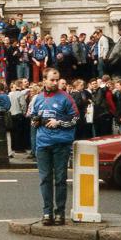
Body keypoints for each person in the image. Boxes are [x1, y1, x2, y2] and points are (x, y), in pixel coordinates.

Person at [30, 68, 79, 226]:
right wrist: (35, 120)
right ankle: (47, 213)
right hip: (42, 144)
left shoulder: (66, 97)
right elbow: (33, 115)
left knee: (60, 180)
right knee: (45, 180)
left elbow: (76, 117)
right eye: (52, 80)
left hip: (60, 144)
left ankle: (60, 213)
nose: (55, 82)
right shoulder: (38, 98)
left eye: (57, 79)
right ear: (44, 80)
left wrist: (59, 122)